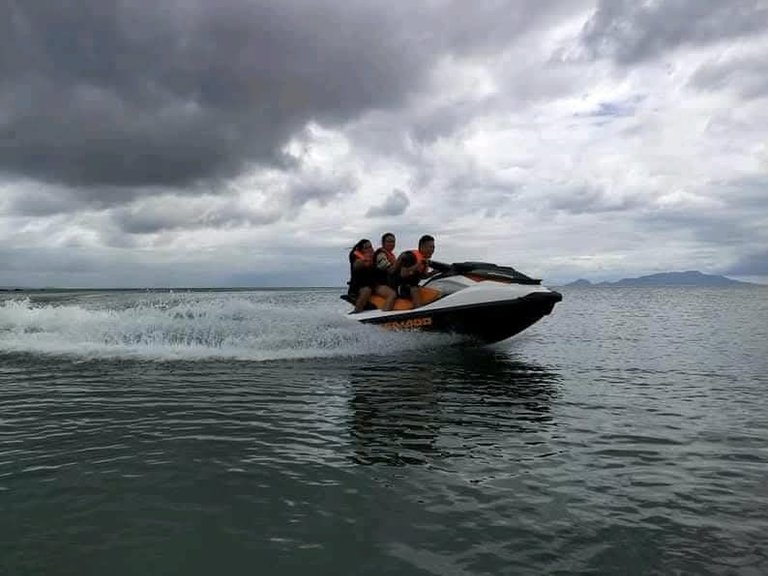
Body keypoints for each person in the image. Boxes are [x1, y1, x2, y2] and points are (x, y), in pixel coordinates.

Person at [348, 239, 396, 313]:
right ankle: (356, 312)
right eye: (366, 248)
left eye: (370, 247)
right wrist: (365, 260)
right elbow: (356, 265)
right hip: (359, 285)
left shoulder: (375, 257)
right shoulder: (356, 257)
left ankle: (384, 315)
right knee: (367, 290)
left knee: (392, 294)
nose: (369, 249)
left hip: (373, 284)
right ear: (361, 250)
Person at [396, 234, 436, 308]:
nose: (432, 250)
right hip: (399, 287)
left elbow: (423, 276)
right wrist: (417, 265)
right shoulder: (410, 256)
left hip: (412, 286)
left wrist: (434, 272)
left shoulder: (424, 260)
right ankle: (419, 312)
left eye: (433, 247)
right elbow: (403, 274)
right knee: (414, 288)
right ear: (422, 247)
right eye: (430, 247)